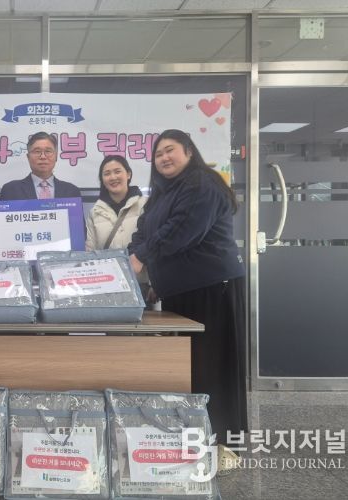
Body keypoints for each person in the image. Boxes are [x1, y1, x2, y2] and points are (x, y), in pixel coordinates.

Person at [127, 129, 246, 468]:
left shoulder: (202, 184)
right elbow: (143, 232)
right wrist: (136, 262)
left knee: (215, 367)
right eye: (158, 154)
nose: (164, 158)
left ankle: (226, 445)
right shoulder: (163, 194)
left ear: (189, 151)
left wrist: (141, 259)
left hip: (211, 287)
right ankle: (194, 438)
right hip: (180, 292)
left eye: (170, 150)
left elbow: (180, 232)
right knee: (191, 367)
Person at [85, 155, 146, 251]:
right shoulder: (94, 212)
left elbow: (152, 243)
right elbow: (90, 252)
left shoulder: (145, 205)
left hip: (138, 261)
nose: (113, 177)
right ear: (102, 180)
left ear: (128, 174)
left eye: (117, 172)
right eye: (107, 174)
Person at [0, 132, 81, 201]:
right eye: (37, 151)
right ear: (28, 157)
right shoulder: (11, 190)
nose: (43, 156)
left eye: (48, 151)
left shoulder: (72, 192)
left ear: (56, 156)